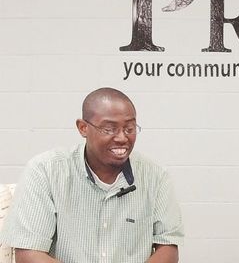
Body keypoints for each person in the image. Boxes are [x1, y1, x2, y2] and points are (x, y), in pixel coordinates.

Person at [0, 87, 183, 263]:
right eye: (109, 129)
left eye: (129, 128)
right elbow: (29, 254)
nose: (121, 137)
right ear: (83, 128)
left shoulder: (156, 177)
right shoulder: (45, 171)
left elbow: (167, 248)